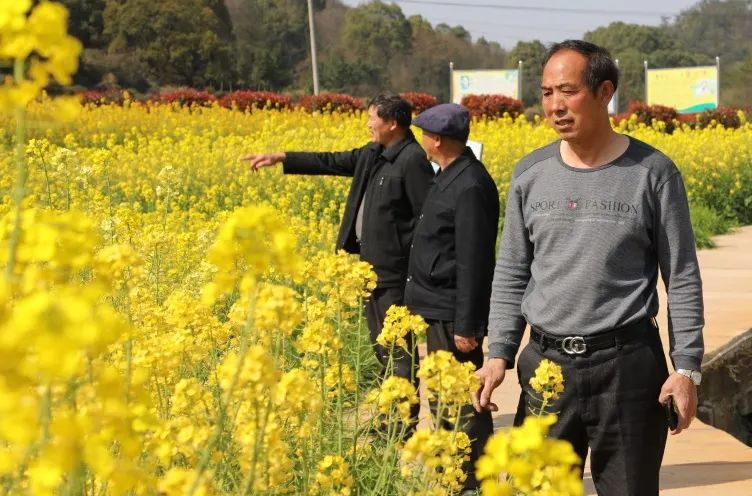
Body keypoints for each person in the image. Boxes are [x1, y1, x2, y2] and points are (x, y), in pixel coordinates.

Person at [471, 40, 705, 496]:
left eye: (568, 91)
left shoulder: (653, 173)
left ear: (604, 93)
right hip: (545, 367)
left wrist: (687, 368)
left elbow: (681, 275)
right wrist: (498, 352)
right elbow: (513, 269)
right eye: (546, 93)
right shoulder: (530, 173)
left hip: (628, 366)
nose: (555, 106)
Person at [240, 92, 433, 381]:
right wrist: (281, 157)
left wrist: (414, 269)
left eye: (372, 118)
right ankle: (389, 417)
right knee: (382, 346)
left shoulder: (412, 159)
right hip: (371, 269)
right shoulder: (373, 153)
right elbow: (330, 161)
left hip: (394, 274)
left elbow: (426, 218)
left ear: (392, 123)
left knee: (397, 348)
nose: (367, 123)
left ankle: (402, 421)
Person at [405, 102, 498, 490]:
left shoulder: (470, 183)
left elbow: (474, 261)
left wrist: (468, 324)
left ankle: (474, 478)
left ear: (437, 139)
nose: (421, 139)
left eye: (424, 132)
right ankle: (452, 474)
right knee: (444, 399)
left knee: (462, 401)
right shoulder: (449, 174)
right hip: (437, 307)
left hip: (451, 313)